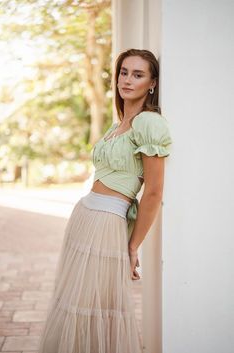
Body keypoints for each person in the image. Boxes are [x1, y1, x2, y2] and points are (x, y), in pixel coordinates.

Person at [37, 48, 172, 353]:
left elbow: (153, 192)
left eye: (138, 74)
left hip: (108, 223)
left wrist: (133, 245)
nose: (127, 79)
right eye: (124, 72)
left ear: (152, 84)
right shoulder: (118, 124)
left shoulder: (149, 123)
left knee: (95, 308)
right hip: (85, 216)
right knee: (75, 303)